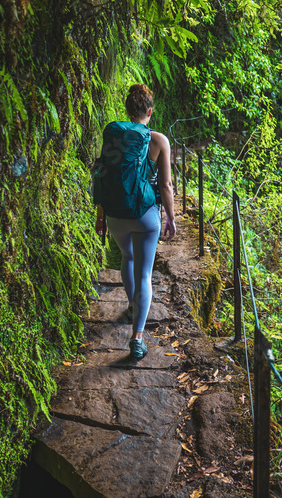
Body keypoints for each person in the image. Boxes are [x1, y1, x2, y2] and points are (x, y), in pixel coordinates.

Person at [95, 84, 177, 359]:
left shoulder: (115, 134)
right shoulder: (158, 140)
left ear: (128, 111)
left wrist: (101, 215)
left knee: (127, 259)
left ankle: (132, 305)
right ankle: (137, 337)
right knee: (144, 273)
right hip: (145, 216)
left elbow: (103, 172)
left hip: (116, 213)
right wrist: (171, 219)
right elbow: (165, 185)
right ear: (150, 111)